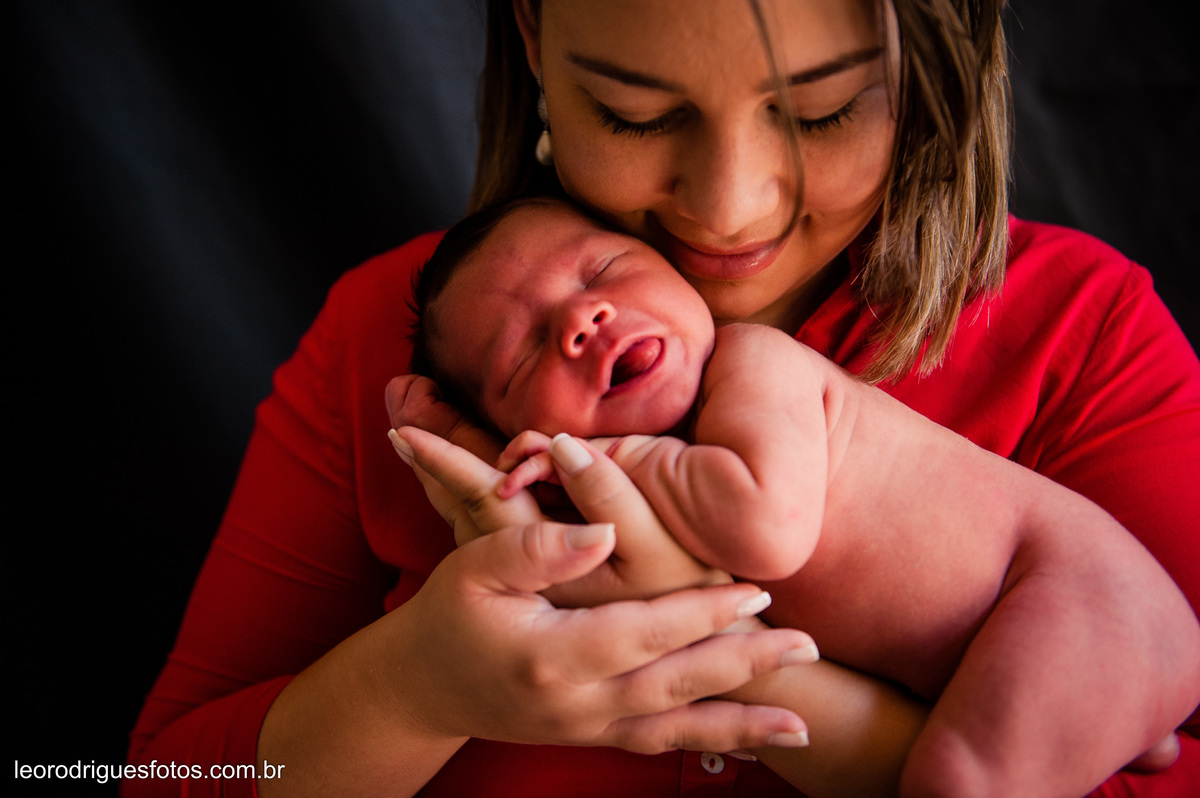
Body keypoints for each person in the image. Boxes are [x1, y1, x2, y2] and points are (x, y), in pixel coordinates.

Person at [126, 1, 1200, 796]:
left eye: (820, 114)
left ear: (936, 67)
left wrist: (697, 656)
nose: (730, 209)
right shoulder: (399, 346)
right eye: (634, 114)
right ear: (537, 41)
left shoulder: (1080, 333)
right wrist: (414, 689)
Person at [396, 193, 1199, 794]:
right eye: (524, 353)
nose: (584, 317)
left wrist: (615, 454)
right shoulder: (666, 465)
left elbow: (766, 531)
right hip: (1020, 654)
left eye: (605, 269)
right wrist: (465, 452)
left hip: (1067, 595)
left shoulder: (755, 365)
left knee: (951, 784)